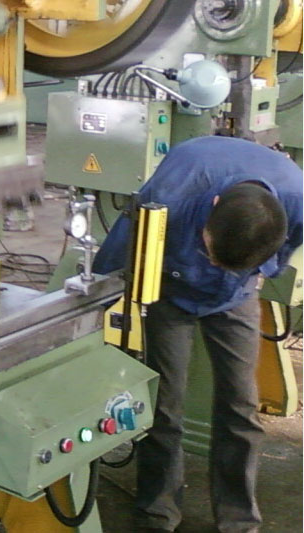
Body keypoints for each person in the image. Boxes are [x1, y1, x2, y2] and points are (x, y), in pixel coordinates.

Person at [92, 135, 303, 533]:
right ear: (214, 205)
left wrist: (264, 269)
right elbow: (118, 253)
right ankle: (157, 513)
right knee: (165, 403)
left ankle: (239, 519)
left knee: (241, 405)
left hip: (236, 294)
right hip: (170, 291)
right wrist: (89, 310)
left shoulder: (298, 195)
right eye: (211, 251)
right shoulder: (171, 190)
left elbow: (292, 240)